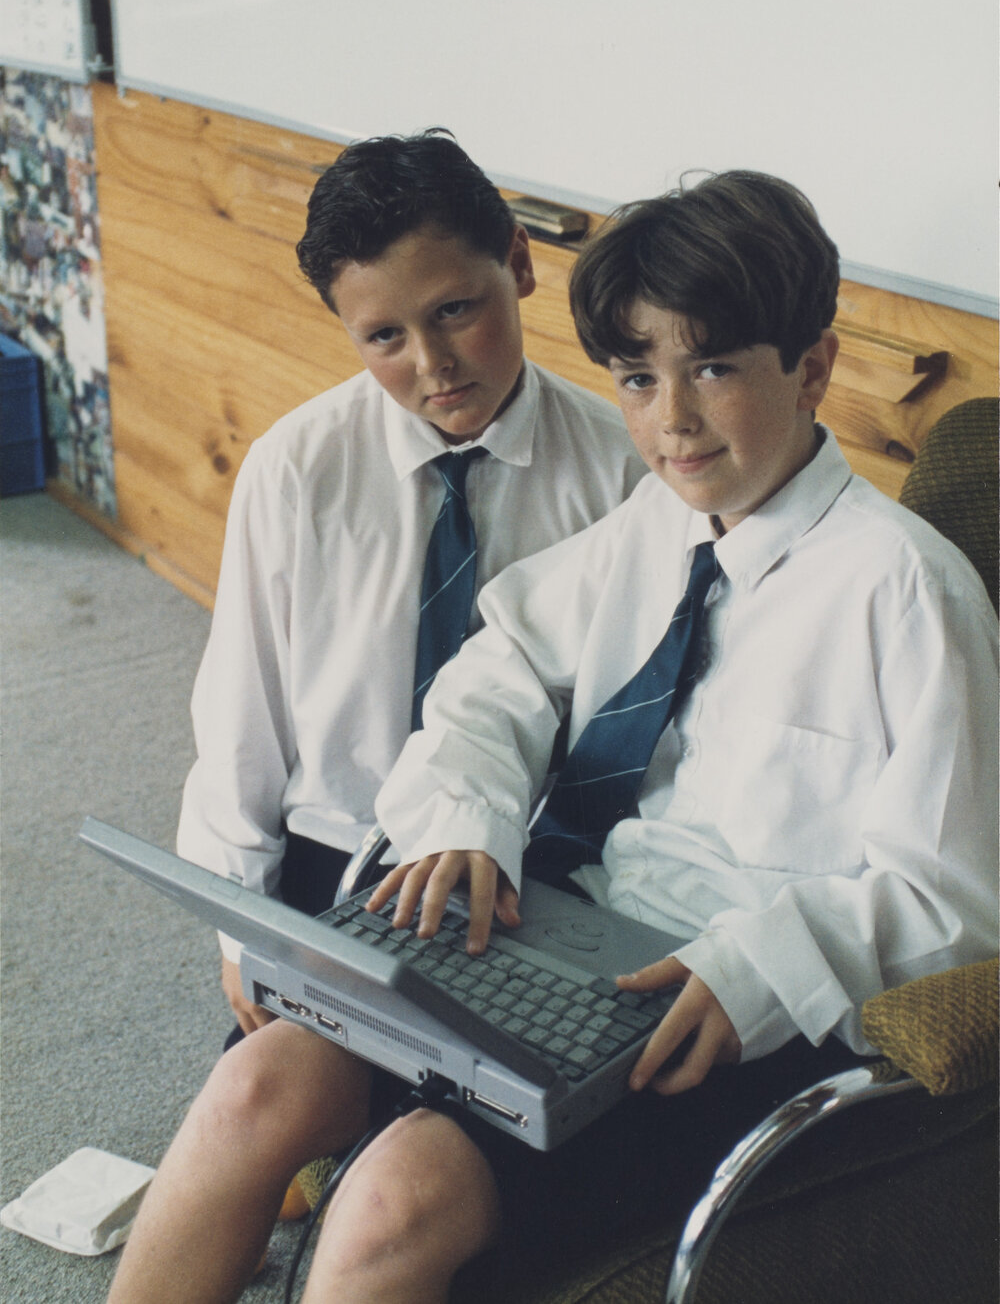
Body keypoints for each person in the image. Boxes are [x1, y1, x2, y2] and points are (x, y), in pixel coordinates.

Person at [109, 170, 997, 1304]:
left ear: (813, 367)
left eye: (714, 368)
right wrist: (470, 819)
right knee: (257, 1087)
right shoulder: (654, 522)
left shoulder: (905, 594)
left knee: (388, 1199)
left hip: (723, 1011)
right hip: (565, 935)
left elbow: (959, 901)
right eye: (637, 379)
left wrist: (759, 968)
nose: (670, 418)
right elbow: (500, 665)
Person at [174, 129, 645, 1038]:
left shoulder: (621, 473)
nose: (433, 363)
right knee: (257, 1111)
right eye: (385, 335)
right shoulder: (296, 469)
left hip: (524, 870)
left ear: (518, 262)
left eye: (456, 310)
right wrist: (242, 924)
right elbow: (243, 718)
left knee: (452, 1136)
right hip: (338, 851)